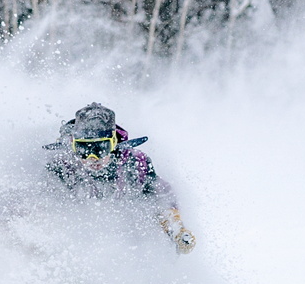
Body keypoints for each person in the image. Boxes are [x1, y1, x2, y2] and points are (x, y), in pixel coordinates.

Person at [44, 103, 195, 254]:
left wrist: (175, 228)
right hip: (78, 240)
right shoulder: (63, 167)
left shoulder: (134, 164)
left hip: (124, 238)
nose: (93, 158)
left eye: (101, 148)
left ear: (114, 143)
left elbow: (160, 196)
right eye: (84, 149)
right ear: (73, 145)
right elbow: (43, 203)